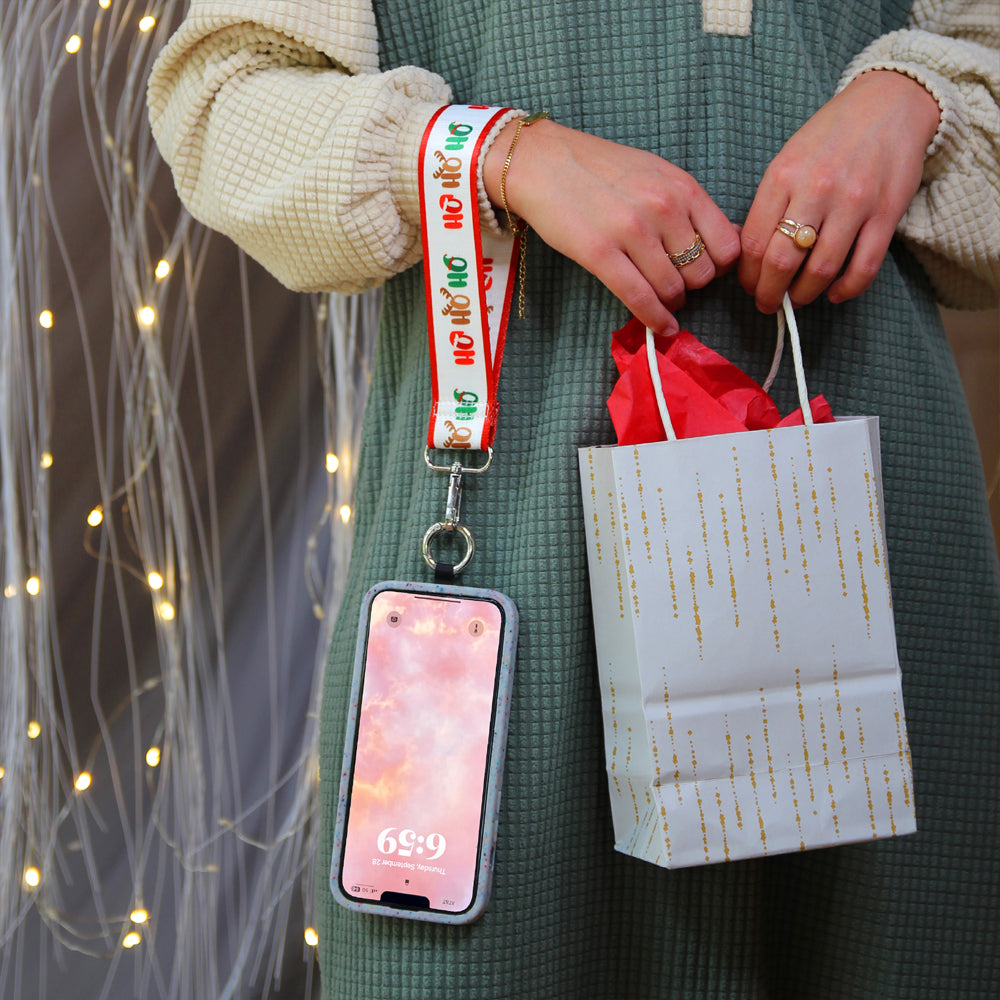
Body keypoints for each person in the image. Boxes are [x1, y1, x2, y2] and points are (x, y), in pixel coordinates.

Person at [148, 2, 1000, 997]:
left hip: (870, 519)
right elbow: (221, 102)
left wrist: (911, 103)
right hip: (513, 524)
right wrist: (504, 154)